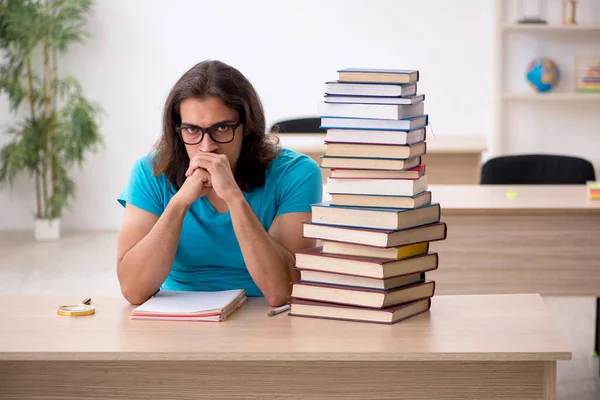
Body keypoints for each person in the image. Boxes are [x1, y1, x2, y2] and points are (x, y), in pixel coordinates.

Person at [116, 60, 322, 306]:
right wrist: (179, 202)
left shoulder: (296, 173)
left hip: (264, 311)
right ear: (177, 129)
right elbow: (134, 290)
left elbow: (282, 292)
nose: (206, 147)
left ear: (247, 126)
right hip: (180, 310)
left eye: (222, 128)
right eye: (192, 130)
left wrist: (234, 198)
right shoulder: (150, 172)